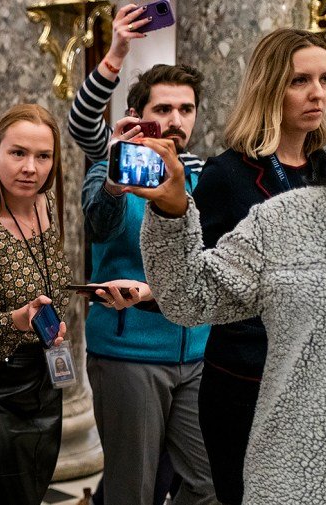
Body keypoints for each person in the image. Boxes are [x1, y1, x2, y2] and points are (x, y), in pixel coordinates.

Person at [131, 126, 326, 503]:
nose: (317, 97)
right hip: (268, 419)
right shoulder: (282, 211)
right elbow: (189, 292)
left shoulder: (319, 170)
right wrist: (171, 209)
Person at [67, 4, 217, 505]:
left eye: (186, 110)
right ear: (138, 116)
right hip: (129, 353)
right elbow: (99, 221)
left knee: (208, 485)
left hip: (195, 353)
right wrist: (113, 181)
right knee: (132, 489)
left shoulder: (203, 175)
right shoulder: (111, 169)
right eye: (163, 109)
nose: (176, 120)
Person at [188, 28, 326, 505]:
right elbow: (199, 278)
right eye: (300, 81)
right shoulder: (227, 175)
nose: (318, 93)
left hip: (320, 380)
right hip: (246, 380)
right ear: (269, 86)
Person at [0, 103, 71, 504]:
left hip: (46, 380)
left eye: (43, 156)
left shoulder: (46, 207)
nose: (30, 168)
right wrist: (18, 320)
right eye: (18, 153)